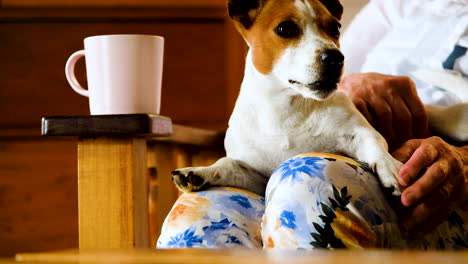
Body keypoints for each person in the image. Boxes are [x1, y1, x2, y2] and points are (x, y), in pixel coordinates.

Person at [157, 0, 467, 249]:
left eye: (332, 30)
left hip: (427, 182)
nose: (333, 49)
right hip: (313, 147)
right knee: (199, 217)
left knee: (306, 186)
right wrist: (355, 84)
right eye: (288, 29)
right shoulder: (392, 7)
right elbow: (334, 68)